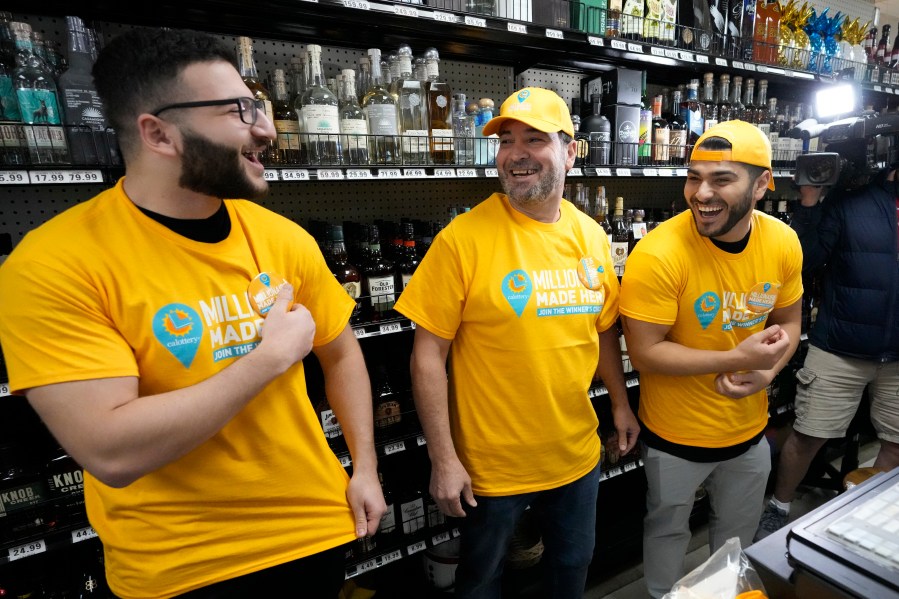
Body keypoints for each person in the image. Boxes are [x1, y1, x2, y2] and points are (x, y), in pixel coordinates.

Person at [0, 27, 386, 599]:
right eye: (237, 111)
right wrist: (267, 359)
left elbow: (341, 350)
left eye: (257, 106)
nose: (263, 128)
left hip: (314, 533)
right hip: (180, 567)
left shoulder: (283, 237)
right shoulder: (55, 263)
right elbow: (111, 450)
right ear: (158, 133)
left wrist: (366, 468)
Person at [394, 86, 640, 598]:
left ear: (571, 151)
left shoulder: (591, 236)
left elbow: (603, 331)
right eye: (507, 141)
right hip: (491, 467)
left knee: (570, 570)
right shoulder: (462, 239)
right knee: (481, 581)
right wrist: (443, 458)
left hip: (575, 454)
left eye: (534, 138)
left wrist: (620, 405)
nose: (516, 153)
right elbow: (426, 356)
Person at [618, 120, 803, 598]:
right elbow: (644, 351)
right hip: (674, 437)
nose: (701, 193)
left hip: (747, 434)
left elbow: (791, 322)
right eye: (693, 177)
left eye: (721, 179)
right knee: (666, 534)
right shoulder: (658, 253)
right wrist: (733, 356)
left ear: (762, 184)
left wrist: (769, 369)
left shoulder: (783, 242)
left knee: (734, 543)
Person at [755, 173, 899, 541]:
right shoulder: (853, 202)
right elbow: (804, 258)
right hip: (838, 347)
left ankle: (864, 516)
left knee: (896, 443)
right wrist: (808, 204)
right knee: (808, 437)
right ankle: (779, 506)